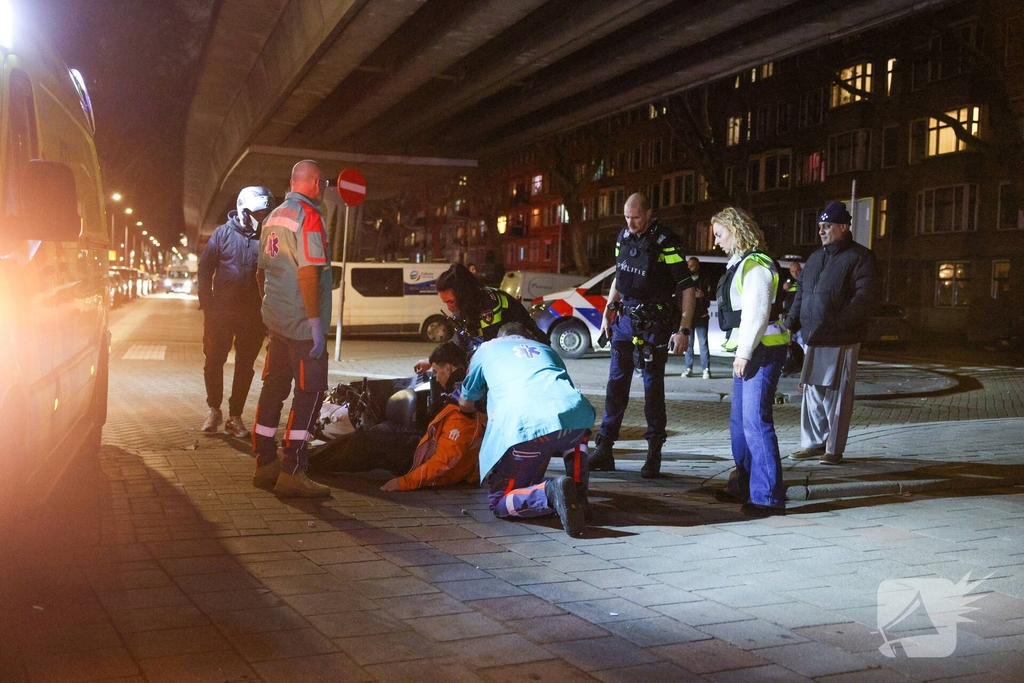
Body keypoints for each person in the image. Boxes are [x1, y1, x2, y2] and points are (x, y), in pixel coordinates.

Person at [588, 193, 696, 479]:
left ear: (649, 213)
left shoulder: (666, 242)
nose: (631, 223)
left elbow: (686, 286)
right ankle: (604, 449)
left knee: (652, 389)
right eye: (627, 217)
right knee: (615, 386)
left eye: (636, 217)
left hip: (654, 323)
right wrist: (607, 311)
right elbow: (620, 275)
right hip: (625, 320)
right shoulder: (623, 237)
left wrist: (683, 329)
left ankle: (653, 453)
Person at [459, 323, 595, 537]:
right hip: (576, 419)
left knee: (499, 501)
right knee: (577, 432)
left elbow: (466, 401)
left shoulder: (486, 349)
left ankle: (549, 493)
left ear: (500, 337)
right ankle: (578, 492)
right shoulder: (546, 349)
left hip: (526, 430)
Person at [251, 160, 334, 497]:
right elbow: (309, 273)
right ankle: (293, 471)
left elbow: (261, 273)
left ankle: (264, 463)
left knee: (273, 388)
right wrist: (315, 325)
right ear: (315, 182)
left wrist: (271, 310)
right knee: (309, 393)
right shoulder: (309, 216)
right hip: (301, 325)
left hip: (277, 322)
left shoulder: (271, 217)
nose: (323, 188)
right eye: (323, 183)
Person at [310, 341, 482, 491]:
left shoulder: (462, 407)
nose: (436, 378)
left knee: (371, 440)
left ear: (448, 368)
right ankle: (312, 458)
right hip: (425, 447)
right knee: (380, 431)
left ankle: (310, 461)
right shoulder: (465, 389)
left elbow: (443, 461)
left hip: (421, 460)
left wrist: (404, 482)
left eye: (436, 372)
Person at [711, 207, 790, 517]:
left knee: (755, 422)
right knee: (740, 425)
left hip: (762, 350)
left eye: (720, 234)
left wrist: (744, 352)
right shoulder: (742, 264)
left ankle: (768, 497)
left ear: (736, 231)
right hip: (753, 350)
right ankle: (744, 484)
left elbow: (757, 314)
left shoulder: (755, 266)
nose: (716, 241)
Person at [786, 201, 879, 465]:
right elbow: (801, 293)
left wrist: (841, 323)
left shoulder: (861, 257)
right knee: (812, 392)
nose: (821, 231)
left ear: (843, 227)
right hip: (813, 336)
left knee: (837, 395)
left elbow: (865, 298)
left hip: (841, 337)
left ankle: (833, 449)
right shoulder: (816, 257)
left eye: (827, 226)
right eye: (820, 226)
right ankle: (813, 443)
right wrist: (791, 324)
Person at [197, 186, 274, 437]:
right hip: (221, 312)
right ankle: (213, 409)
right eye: (258, 213)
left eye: (265, 213)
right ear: (244, 210)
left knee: (245, 365)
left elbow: (275, 274)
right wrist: (207, 303)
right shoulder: (222, 233)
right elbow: (205, 269)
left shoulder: (269, 237)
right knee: (214, 360)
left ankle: (235, 416)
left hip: (253, 314)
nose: (262, 217)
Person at [412, 263, 545, 373]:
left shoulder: (489, 304)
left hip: (531, 355)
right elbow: (458, 342)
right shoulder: (465, 308)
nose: (449, 307)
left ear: (463, 295)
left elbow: (491, 347)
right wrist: (431, 360)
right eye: (445, 303)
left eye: (451, 302)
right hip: (511, 355)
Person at [681, 257, 712, 380]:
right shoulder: (685, 280)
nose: (689, 267)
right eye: (688, 265)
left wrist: (703, 295)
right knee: (689, 343)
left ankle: (706, 369)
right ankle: (688, 368)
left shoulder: (704, 279)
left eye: (692, 265)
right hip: (689, 317)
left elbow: (711, 296)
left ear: (697, 266)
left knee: (703, 343)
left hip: (701, 316)